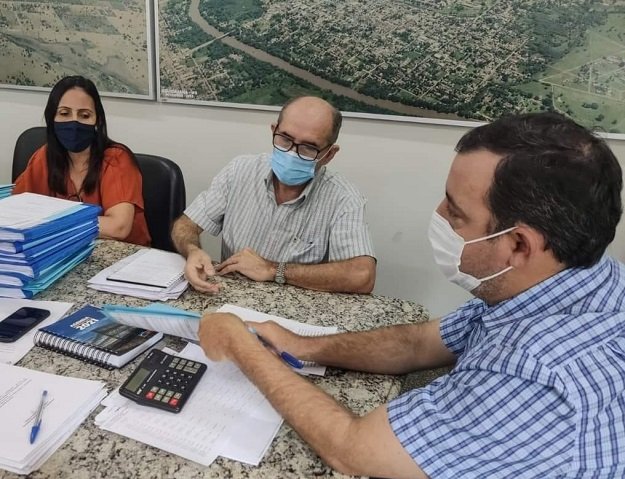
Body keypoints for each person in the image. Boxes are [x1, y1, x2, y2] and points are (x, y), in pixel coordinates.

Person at [197, 112, 625, 478]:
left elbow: (351, 448)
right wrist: (302, 345)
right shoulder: (577, 278)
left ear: (518, 245)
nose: (438, 214)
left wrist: (239, 346)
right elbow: (419, 343)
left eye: (455, 212)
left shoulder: (536, 373)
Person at [171, 96, 376, 294]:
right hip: (229, 297)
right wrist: (192, 251)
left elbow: (362, 276)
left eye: (308, 147)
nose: (291, 153)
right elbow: (185, 226)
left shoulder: (344, 199)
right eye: (285, 139)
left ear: (329, 154)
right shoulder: (239, 170)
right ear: (273, 131)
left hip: (293, 307)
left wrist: (273, 270)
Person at [13, 75, 151, 246]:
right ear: (51, 118)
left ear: (97, 120)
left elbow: (118, 227)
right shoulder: (44, 157)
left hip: (125, 255)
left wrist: (54, 224)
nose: (74, 122)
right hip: (66, 248)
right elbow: (14, 210)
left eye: (84, 115)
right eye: (64, 113)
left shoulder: (116, 159)